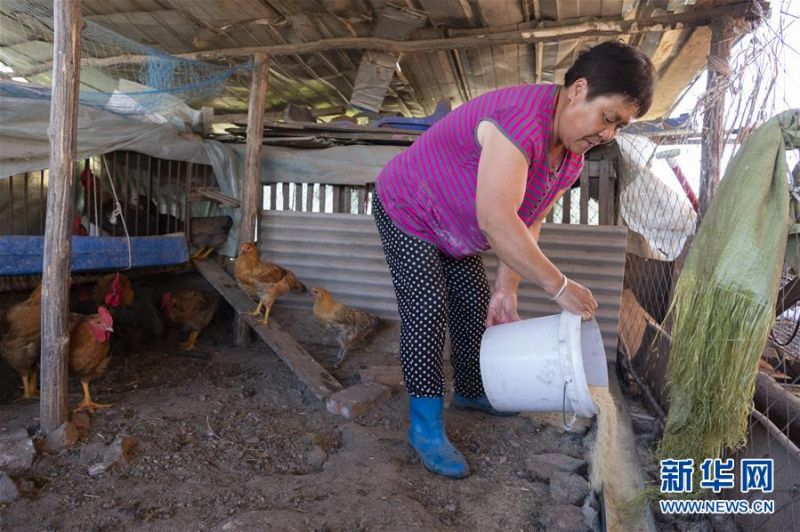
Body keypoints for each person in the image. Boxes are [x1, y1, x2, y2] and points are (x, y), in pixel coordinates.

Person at [372, 40, 655, 478]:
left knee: (475, 303)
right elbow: (497, 220)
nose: (608, 135)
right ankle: (424, 427)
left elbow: (529, 217)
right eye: (608, 118)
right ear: (578, 90)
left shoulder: (569, 160)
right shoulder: (522, 122)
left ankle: (469, 390)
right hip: (407, 208)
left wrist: (508, 288)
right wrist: (559, 286)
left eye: (619, 127)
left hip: (455, 230)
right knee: (427, 309)